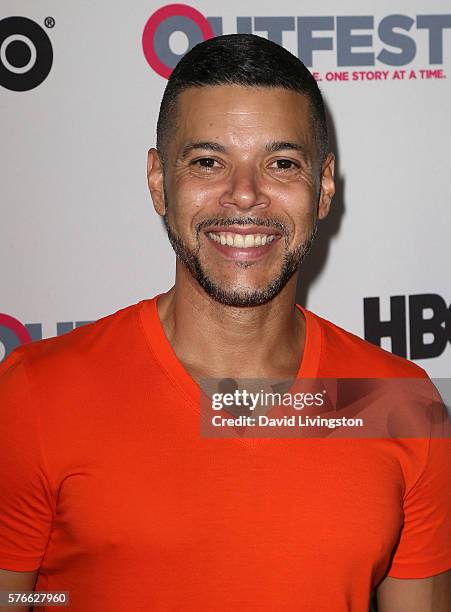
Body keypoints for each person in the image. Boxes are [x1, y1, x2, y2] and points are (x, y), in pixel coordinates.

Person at [0, 34, 449, 612]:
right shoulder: (37, 395)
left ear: (324, 186)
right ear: (160, 182)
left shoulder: (398, 404)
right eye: (209, 161)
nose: (245, 196)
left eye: (281, 163)